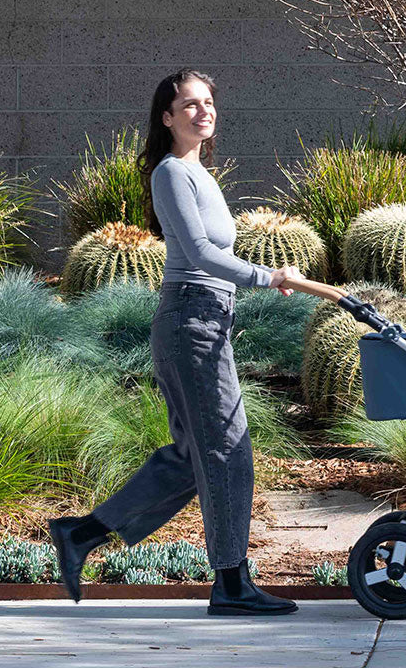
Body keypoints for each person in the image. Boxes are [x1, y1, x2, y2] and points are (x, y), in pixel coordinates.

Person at [48, 69, 302, 615]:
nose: (202, 111)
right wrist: (267, 276)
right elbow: (200, 253)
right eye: (189, 105)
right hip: (192, 321)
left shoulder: (197, 171)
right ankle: (231, 584)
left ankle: (82, 535)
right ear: (167, 118)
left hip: (205, 319)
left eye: (208, 102)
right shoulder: (171, 173)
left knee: (194, 458)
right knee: (228, 453)